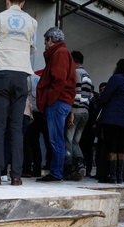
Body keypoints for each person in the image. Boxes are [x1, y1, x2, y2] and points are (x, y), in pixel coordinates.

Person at [0, 0, 38, 186]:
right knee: (16, 128)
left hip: (1, 74)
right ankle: (16, 176)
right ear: (23, 2)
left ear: (7, 2)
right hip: (21, 75)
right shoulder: (32, 21)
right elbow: (31, 49)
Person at [35, 26, 76, 183]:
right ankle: (56, 172)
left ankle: (56, 173)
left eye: (45, 41)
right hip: (61, 101)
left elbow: (59, 79)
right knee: (57, 139)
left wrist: (49, 100)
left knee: (56, 139)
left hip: (58, 101)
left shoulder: (59, 53)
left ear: (50, 40)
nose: (45, 45)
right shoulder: (63, 53)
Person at [95, 58, 124, 183]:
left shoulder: (117, 78)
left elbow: (105, 96)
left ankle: (111, 176)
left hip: (112, 118)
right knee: (121, 148)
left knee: (111, 146)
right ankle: (119, 176)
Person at [63, 50, 93, 181]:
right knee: (76, 141)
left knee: (68, 141)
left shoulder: (76, 73)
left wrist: (72, 113)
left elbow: (77, 94)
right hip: (85, 111)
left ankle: (68, 169)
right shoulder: (87, 74)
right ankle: (80, 165)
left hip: (77, 110)